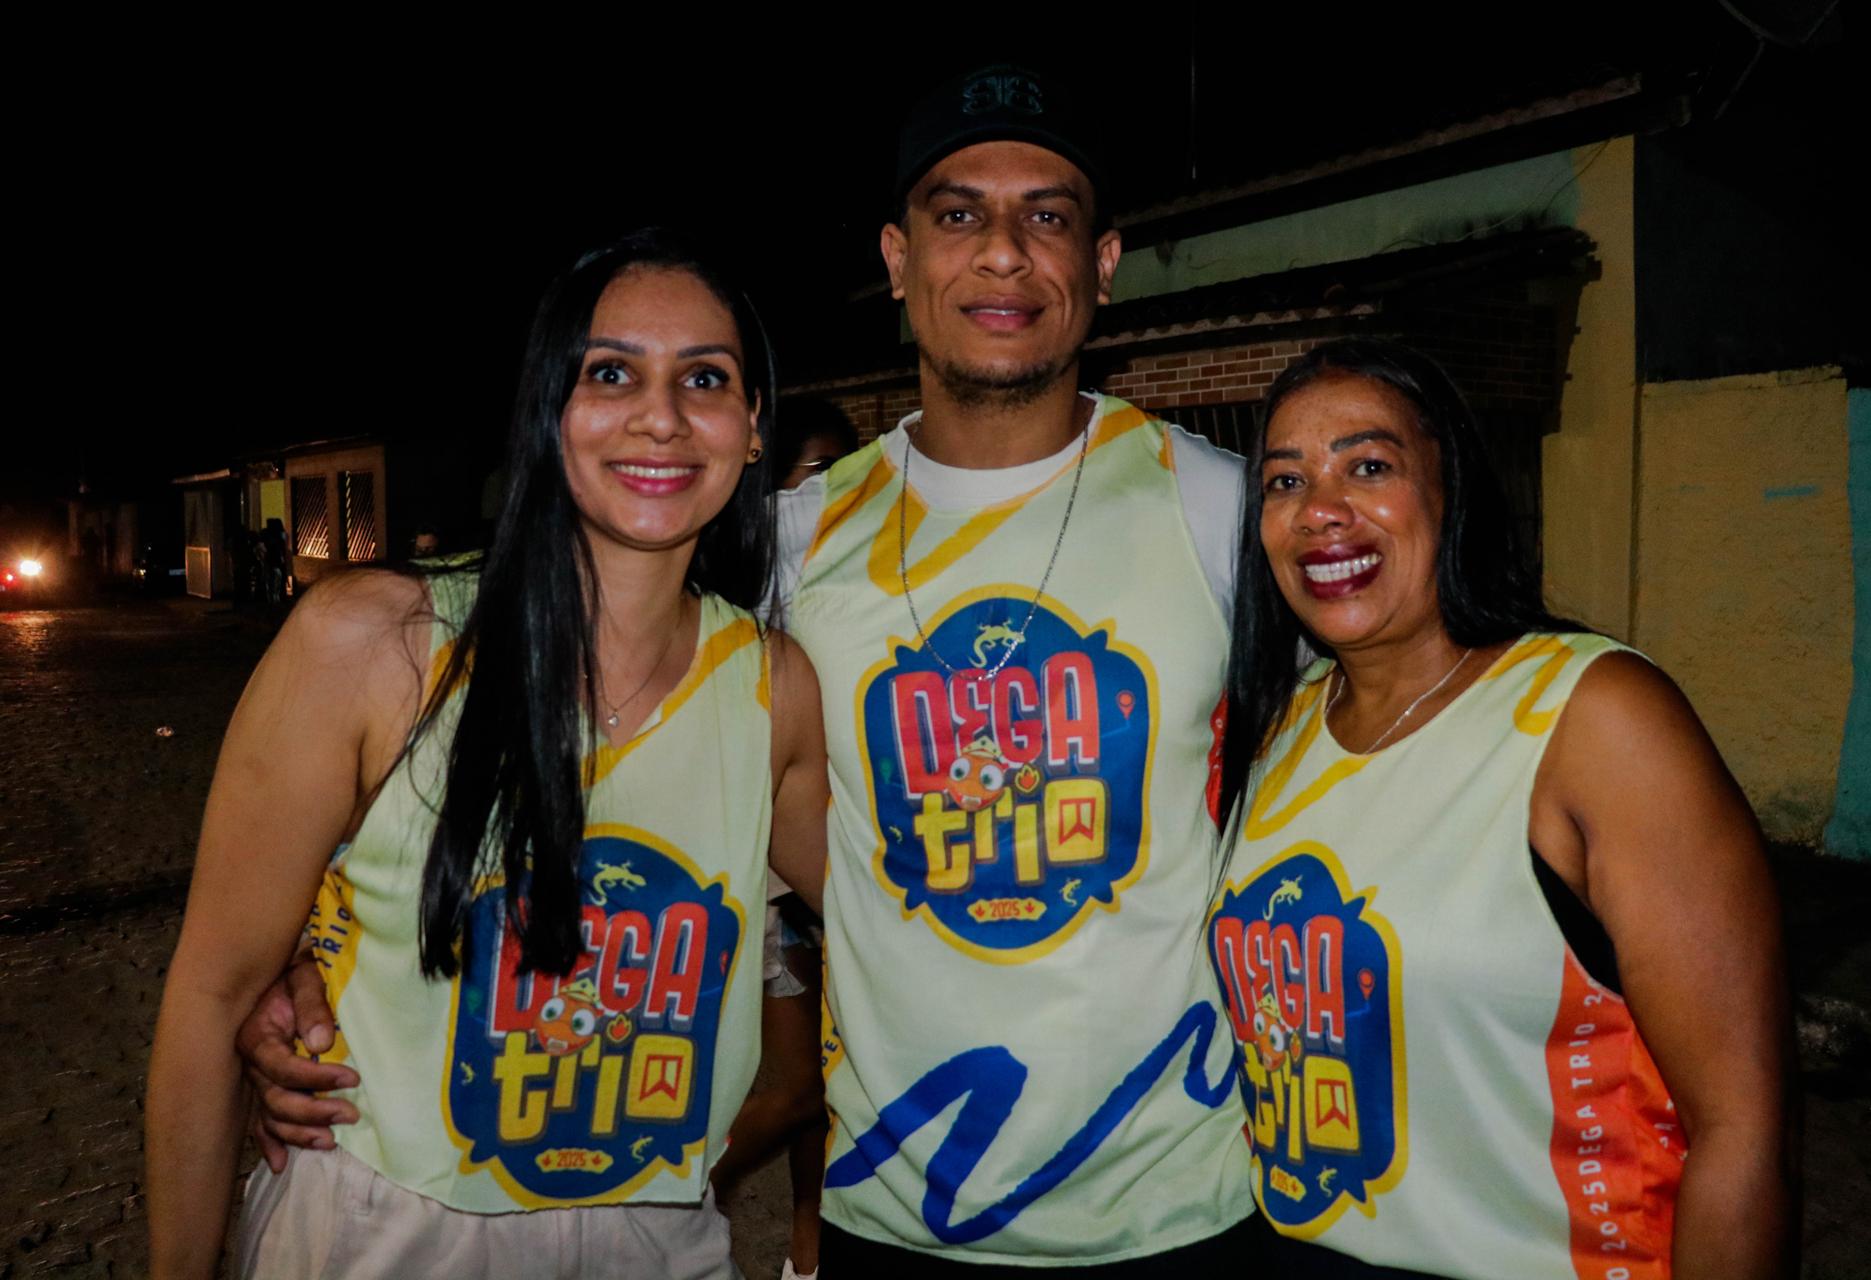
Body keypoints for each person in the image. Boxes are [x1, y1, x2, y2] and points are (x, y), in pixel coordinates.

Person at [241, 64, 1262, 1272]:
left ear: (1104, 262)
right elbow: (607, 752)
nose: (1003, 251)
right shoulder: (784, 548)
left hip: (1183, 1201)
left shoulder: (1226, 511)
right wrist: (307, 951)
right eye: (957, 213)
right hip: (896, 1204)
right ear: (896, 258)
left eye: (1048, 215)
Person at [146, 228, 829, 1280]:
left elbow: (903, 920)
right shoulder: (379, 645)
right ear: (549, 412)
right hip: (381, 1233)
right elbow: (210, 995)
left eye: (705, 378)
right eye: (611, 373)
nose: (661, 415)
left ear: (751, 434)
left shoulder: (774, 690)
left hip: (659, 1237)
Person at [1209, 338, 1792, 1278]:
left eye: (1369, 466)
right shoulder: (1278, 730)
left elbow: (1743, 1130)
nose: (1320, 509)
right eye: (1285, 482)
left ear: (1452, 490)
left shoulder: (1593, 718)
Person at [708, 396, 858, 1280]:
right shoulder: (754, 586)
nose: (827, 496)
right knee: (801, 1085)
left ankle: (809, 1245)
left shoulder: (860, 573)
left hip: (844, 841)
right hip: (780, 862)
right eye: (813, 477)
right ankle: (674, 1189)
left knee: (830, 1085)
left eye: (843, 475)